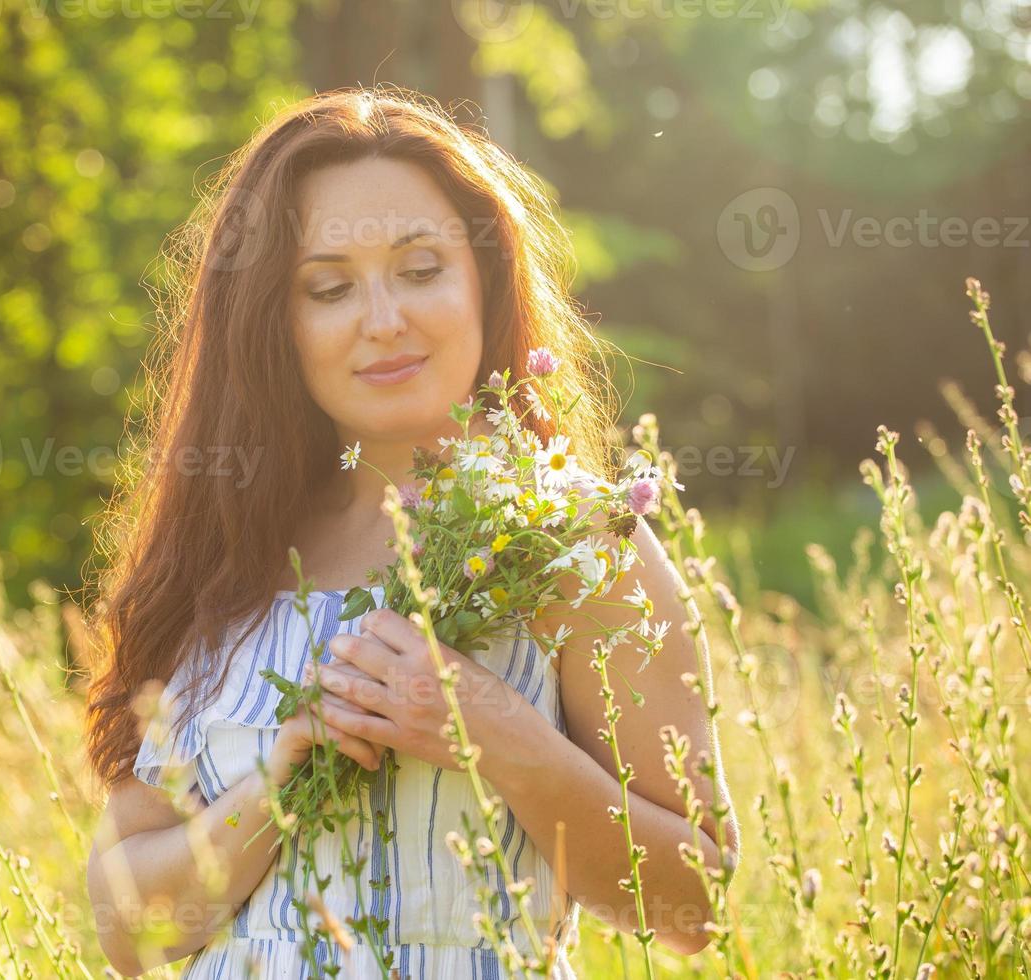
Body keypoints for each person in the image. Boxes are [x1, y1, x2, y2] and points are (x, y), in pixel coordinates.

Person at [83, 85, 739, 978]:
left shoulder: (575, 541)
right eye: (329, 287)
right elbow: (129, 937)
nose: (384, 319)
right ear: (275, 322)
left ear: (484, 280)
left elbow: (691, 906)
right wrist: (278, 786)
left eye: (422, 269)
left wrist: (490, 725)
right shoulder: (215, 559)